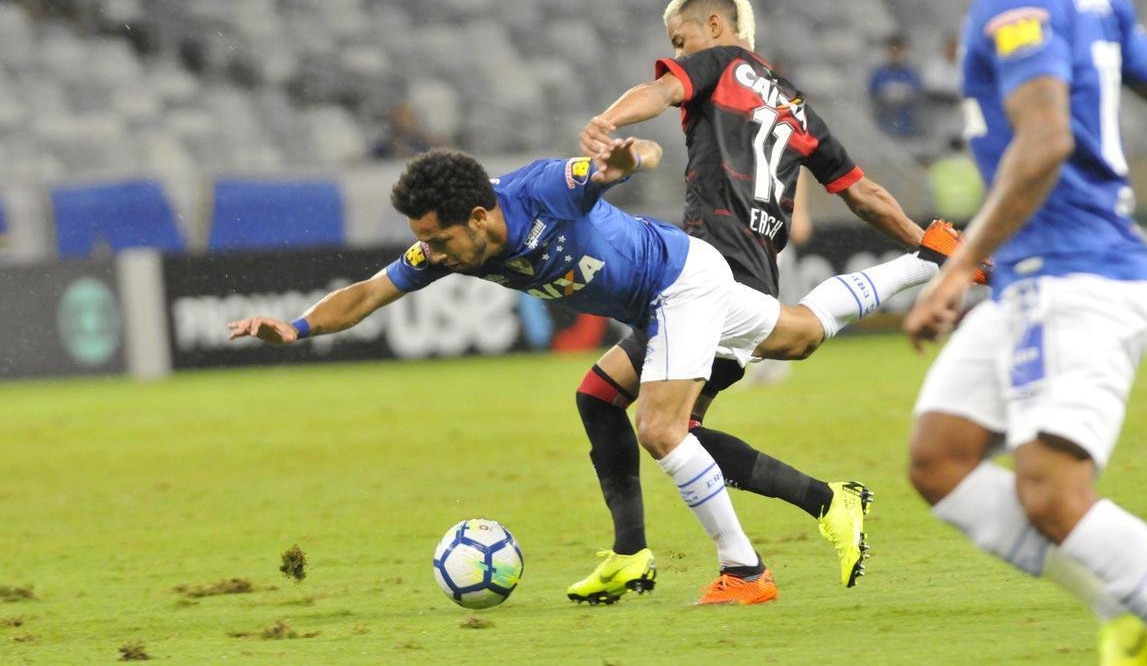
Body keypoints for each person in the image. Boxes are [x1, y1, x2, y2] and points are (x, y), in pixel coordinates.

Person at [228, 146, 955, 605]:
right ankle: (931, 257)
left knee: (664, 428)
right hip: (670, 290)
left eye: (438, 237)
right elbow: (364, 294)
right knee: (787, 337)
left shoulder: (543, 189)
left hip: (678, 284)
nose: (431, 252)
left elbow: (613, 165)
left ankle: (745, 572)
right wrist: (293, 327)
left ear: (480, 215)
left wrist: (625, 158)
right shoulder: (447, 248)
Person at [569, 0, 979, 605]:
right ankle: (643, 552)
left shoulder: (719, 62)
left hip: (707, 276)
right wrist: (921, 235)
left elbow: (659, 91)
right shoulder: (796, 107)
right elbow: (862, 193)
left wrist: (609, 119)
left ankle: (750, 566)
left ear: (714, 26)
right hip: (750, 273)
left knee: (666, 428)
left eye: (679, 40)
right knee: (609, 399)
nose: (676, 52)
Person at [903, 0, 1147, 663]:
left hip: (1077, 274)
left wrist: (958, 263)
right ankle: (1129, 612)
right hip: (1045, 277)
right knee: (940, 457)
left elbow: (1046, 141)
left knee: (1051, 493)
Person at [868, 32, 923, 141]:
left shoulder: (911, 73)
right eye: (893, 50)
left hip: (907, 130)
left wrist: (904, 96)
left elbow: (918, 95)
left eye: (899, 50)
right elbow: (872, 94)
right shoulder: (879, 73)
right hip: (882, 128)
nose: (896, 53)